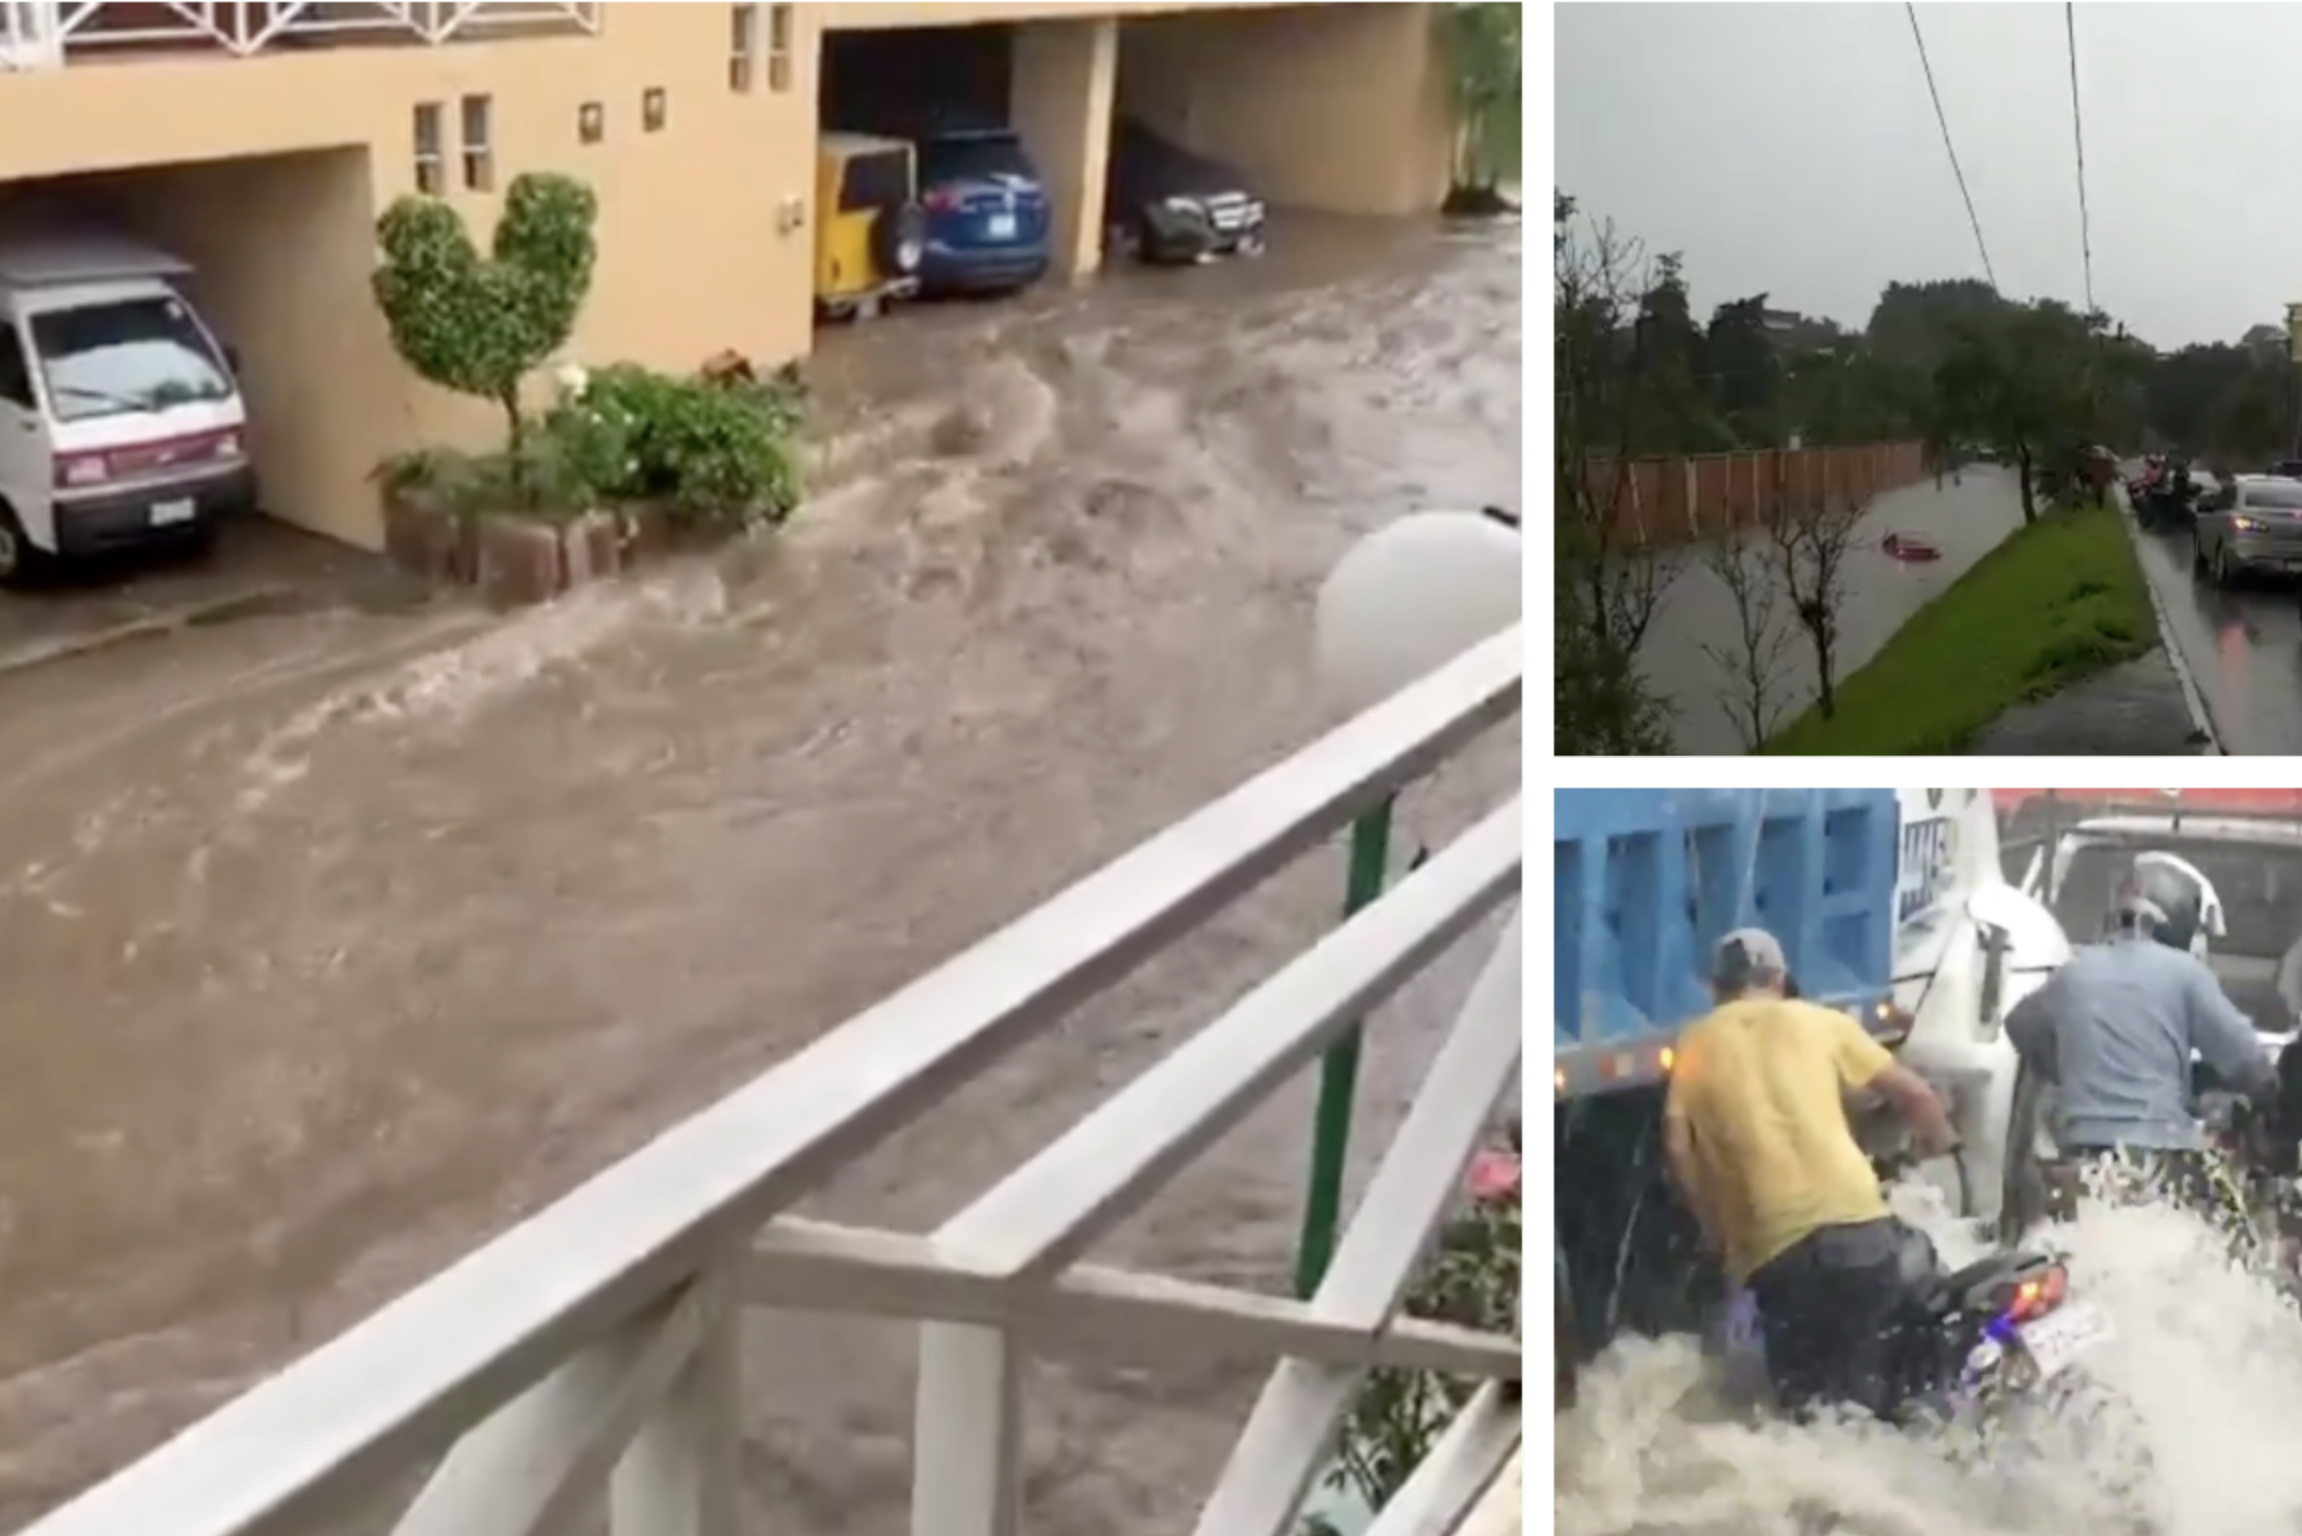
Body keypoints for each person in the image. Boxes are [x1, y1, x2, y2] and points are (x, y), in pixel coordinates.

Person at [1664, 928, 1960, 1422]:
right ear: (1780, 978)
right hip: (1863, 1234)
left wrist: (1715, 1230)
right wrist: (1944, 1146)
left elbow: (1678, 1147)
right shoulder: (1824, 1023)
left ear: (1716, 987)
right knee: (1870, 1392)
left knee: (1806, 1411)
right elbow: (1918, 1097)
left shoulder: (1695, 1045)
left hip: (1777, 1250)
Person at [2004, 863, 2279, 1218]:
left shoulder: (2072, 974)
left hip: (2078, 1157)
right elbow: (2248, 1062)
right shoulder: (2186, 974)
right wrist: (2270, 1100)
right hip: (2159, 1159)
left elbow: (2018, 1026)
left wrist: (2066, 1067)